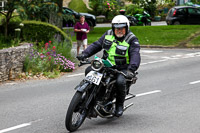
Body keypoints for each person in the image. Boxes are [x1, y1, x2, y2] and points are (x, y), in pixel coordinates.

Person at [77, 15, 141, 117]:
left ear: (127, 28)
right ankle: (89, 97)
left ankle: (119, 104)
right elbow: (97, 44)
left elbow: (135, 54)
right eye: (117, 28)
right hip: (106, 64)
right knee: (89, 70)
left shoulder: (131, 39)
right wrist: (85, 54)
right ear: (113, 28)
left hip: (123, 68)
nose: (119, 30)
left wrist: (131, 69)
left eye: (122, 29)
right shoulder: (108, 34)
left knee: (120, 81)